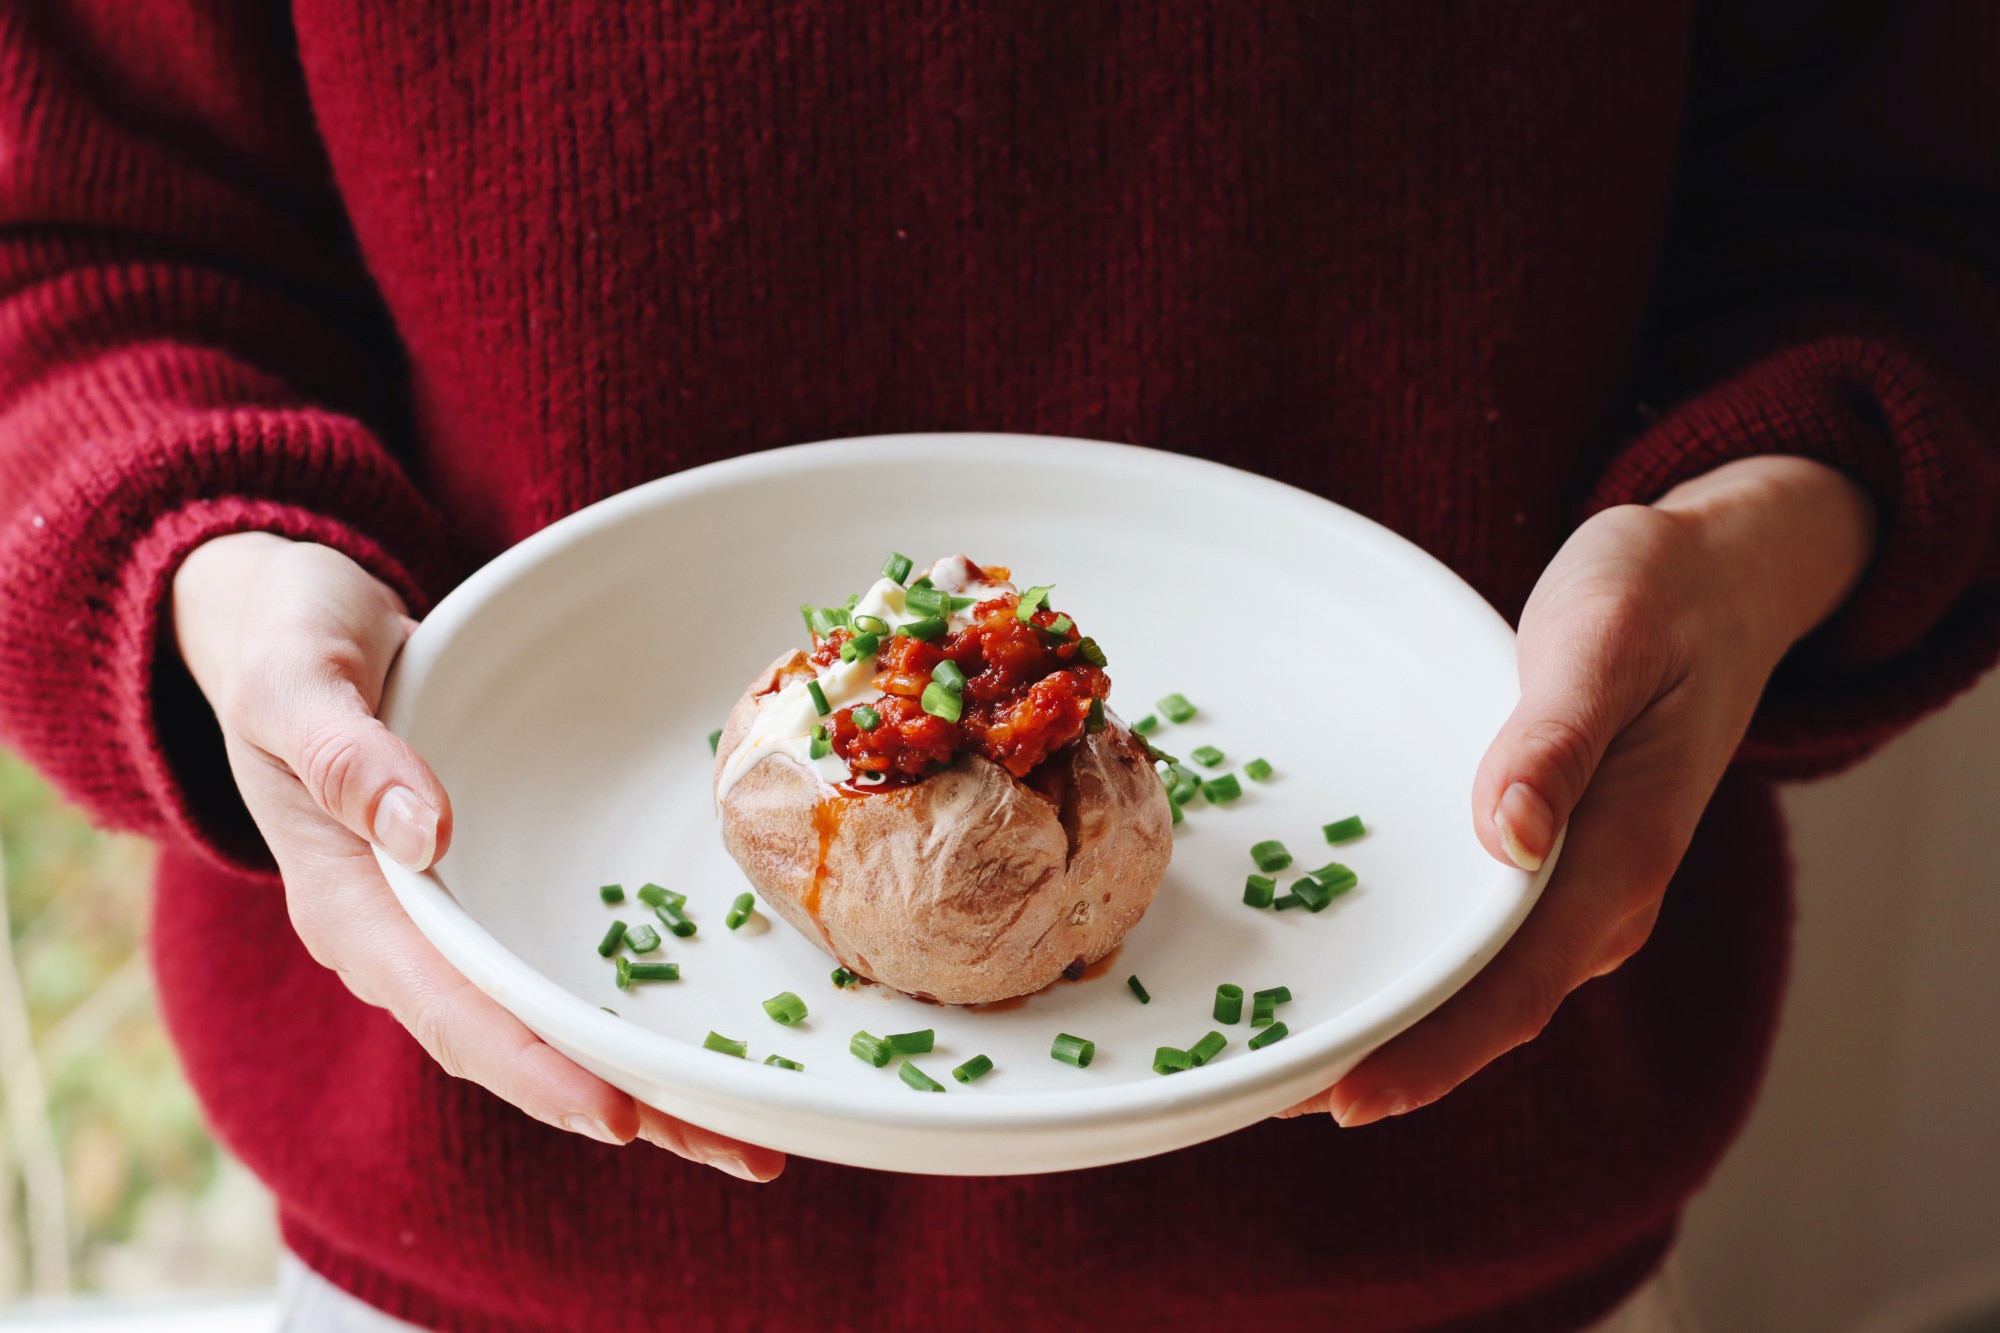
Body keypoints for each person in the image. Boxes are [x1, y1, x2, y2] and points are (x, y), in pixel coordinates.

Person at [1, 3, 1995, 1329]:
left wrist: (1772, 526)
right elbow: (72, 252)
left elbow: (1918, 215)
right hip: (485, 1240)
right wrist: (217, 580)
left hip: (1435, 1234)